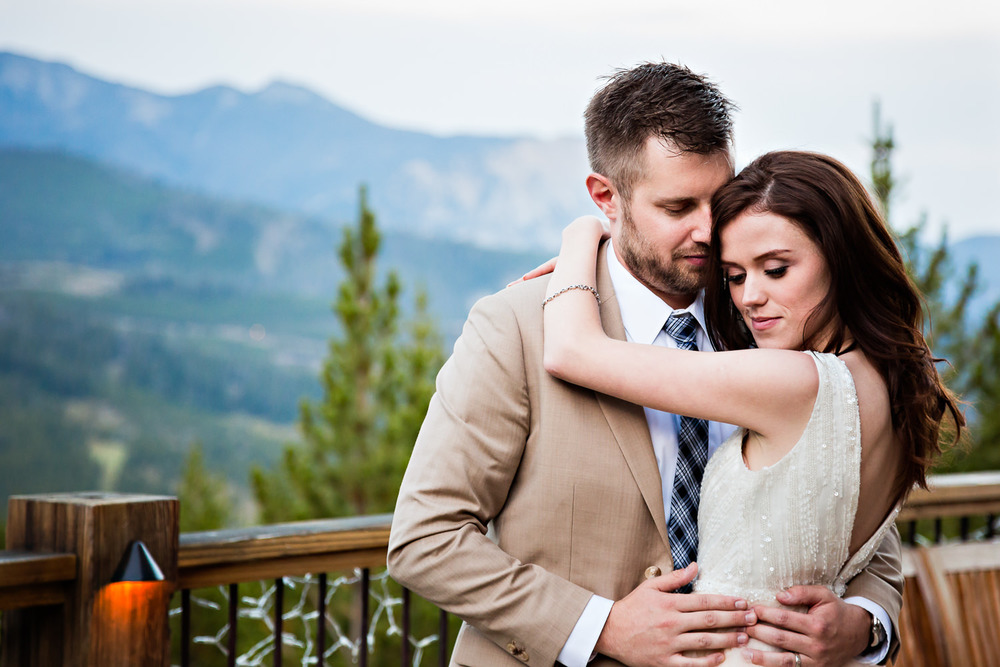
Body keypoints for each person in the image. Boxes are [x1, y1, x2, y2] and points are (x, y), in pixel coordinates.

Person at [388, 63, 906, 667]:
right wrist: (599, 627)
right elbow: (426, 539)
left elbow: (850, 519)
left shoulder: (769, 322)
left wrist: (866, 626)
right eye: (678, 206)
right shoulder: (518, 326)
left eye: (720, 197)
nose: (710, 230)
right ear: (607, 197)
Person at [540, 151, 963, 665]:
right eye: (736, 276)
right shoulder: (891, 381)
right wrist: (865, 623)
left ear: (842, 258)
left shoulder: (793, 382)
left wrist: (583, 238)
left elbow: (571, 351)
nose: (751, 298)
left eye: (777, 269)